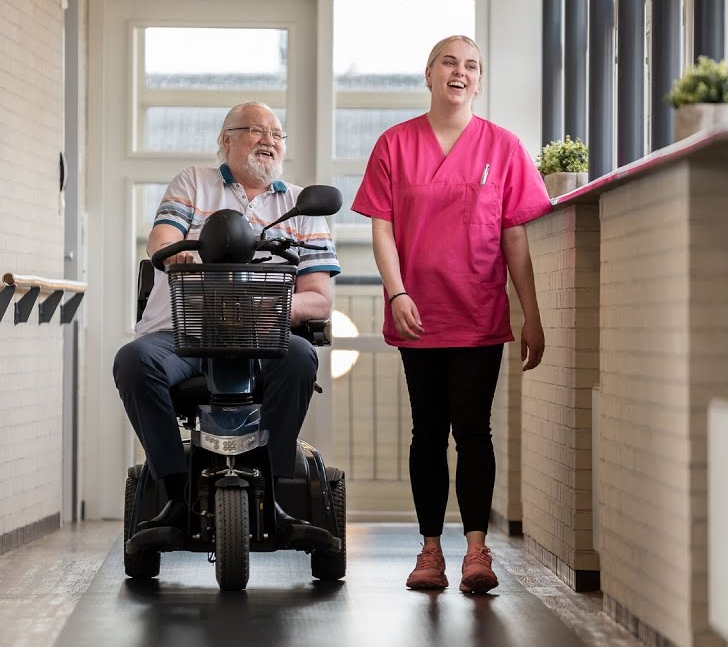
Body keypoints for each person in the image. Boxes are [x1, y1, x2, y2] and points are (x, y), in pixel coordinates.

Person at [350, 35, 551, 594]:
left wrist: (531, 313)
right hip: (418, 314)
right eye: (449, 62)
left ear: (479, 81)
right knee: (428, 432)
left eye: (471, 66)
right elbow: (383, 228)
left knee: (474, 431)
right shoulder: (394, 144)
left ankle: (477, 552)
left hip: (478, 312)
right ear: (429, 73)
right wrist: (396, 293)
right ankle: (431, 551)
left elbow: (515, 238)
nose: (459, 72)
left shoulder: (504, 147)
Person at [114, 101, 341, 534]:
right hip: (182, 333)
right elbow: (161, 238)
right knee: (133, 360)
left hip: (262, 339)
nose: (269, 140)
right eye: (256, 130)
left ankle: (274, 491)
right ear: (226, 140)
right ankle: (176, 493)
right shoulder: (194, 183)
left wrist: (271, 307)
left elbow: (319, 300)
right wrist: (175, 254)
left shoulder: (300, 206)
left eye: (276, 134)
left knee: (299, 358)